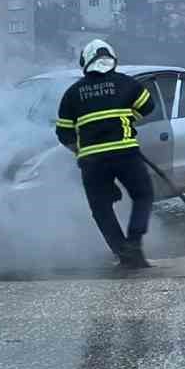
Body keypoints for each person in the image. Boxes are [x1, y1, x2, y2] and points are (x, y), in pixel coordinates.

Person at [55, 39, 158, 271]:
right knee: (143, 195)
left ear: (85, 61)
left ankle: (122, 252)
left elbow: (63, 133)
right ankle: (134, 243)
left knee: (101, 208)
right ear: (112, 59)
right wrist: (128, 118)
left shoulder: (72, 93)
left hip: (92, 161)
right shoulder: (127, 84)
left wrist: (79, 151)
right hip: (125, 153)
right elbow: (149, 107)